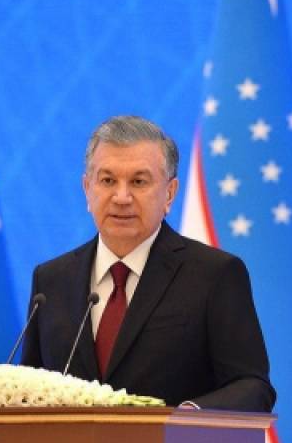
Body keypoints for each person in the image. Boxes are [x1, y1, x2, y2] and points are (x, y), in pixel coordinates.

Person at [20, 115, 275, 412]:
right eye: (107, 181)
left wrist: (187, 419)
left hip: (176, 442)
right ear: (87, 189)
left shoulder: (214, 275)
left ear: (170, 193)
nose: (121, 197)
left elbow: (252, 387)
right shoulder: (51, 281)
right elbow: (30, 390)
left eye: (138, 182)